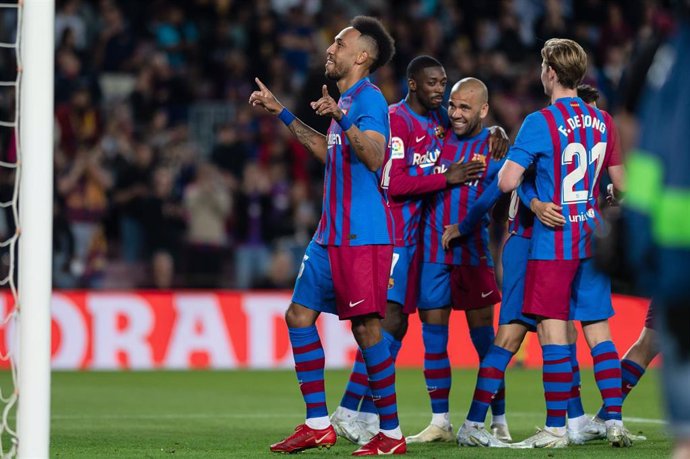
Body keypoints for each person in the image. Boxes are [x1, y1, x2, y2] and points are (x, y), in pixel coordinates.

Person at [249, 16, 407, 456]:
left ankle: (391, 435)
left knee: (366, 328)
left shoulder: (370, 100)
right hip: (328, 235)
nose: (330, 48)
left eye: (340, 43)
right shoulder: (345, 102)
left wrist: (344, 117)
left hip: (362, 235)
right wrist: (281, 110)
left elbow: (374, 157)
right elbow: (327, 149)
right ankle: (318, 424)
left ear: (362, 56)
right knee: (298, 316)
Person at [329, 55, 502, 446]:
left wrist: (497, 131)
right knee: (386, 324)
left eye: (444, 82)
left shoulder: (441, 119)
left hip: (416, 240)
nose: (441, 90)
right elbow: (393, 182)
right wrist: (447, 176)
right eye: (433, 83)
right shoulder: (396, 119)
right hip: (390, 233)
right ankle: (348, 409)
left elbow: (469, 126)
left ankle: (367, 413)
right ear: (412, 83)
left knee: (397, 326)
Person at [497, 38, 630, 448]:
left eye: (541, 66)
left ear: (550, 72)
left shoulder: (540, 122)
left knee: (555, 334)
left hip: (553, 241)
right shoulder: (603, 120)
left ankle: (557, 428)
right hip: (591, 236)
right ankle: (613, 422)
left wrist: (534, 199)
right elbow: (622, 185)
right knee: (598, 330)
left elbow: (506, 181)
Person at [408, 77, 507, 443]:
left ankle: (498, 419)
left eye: (465, 107)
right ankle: (440, 422)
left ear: (482, 110)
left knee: (486, 344)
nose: (456, 113)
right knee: (433, 339)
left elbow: (493, 196)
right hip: (433, 254)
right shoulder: (437, 135)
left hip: (473, 255)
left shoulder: (494, 147)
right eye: (452, 105)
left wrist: (463, 227)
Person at [622, 15, 690, 458]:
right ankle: (608, 411)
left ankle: (607, 411)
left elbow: (637, 138)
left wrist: (636, 229)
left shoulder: (663, 56)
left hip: (673, 249)